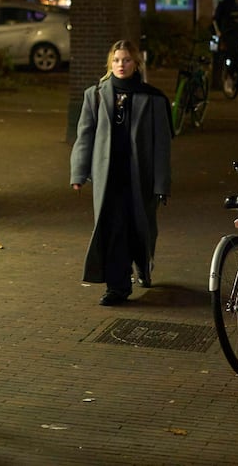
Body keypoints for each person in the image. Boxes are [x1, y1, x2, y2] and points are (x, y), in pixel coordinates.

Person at [69, 40, 171, 305]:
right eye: (116, 60)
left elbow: (162, 145)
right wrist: (78, 173)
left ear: (136, 63)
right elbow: (85, 136)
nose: (121, 65)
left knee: (141, 229)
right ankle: (117, 287)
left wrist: (161, 184)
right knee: (114, 229)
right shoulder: (95, 95)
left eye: (126, 60)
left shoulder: (153, 98)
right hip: (108, 179)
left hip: (141, 179)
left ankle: (143, 265)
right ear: (109, 64)